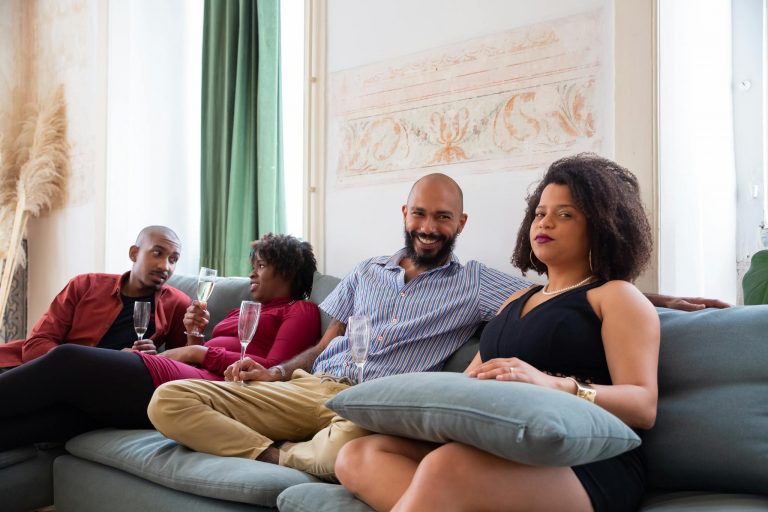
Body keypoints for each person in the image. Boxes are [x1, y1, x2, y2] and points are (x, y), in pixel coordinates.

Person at [146, 172, 721, 482]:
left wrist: (659, 295)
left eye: (442, 217)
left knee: (353, 452)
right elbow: (326, 344)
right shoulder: (373, 272)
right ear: (405, 214)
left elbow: (585, 298)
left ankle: (302, 453)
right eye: (420, 213)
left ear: (460, 223)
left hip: (375, 402)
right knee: (169, 400)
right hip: (311, 388)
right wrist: (274, 373)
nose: (428, 226)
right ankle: (279, 454)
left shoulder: (481, 284)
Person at [335, 154, 660, 511]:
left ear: (600, 225)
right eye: (540, 213)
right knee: (359, 454)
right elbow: (473, 380)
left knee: (447, 467)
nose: (546, 222)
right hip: (505, 446)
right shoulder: (516, 300)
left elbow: (643, 405)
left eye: (564, 214)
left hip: (589, 463)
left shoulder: (615, 297)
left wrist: (556, 384)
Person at [0, 234, 320, 452]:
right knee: (68, 419)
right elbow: (207, 353)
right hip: (188, 373)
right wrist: (195, 337)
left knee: (69, 359)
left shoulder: (300, 310)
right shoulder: (243, 309)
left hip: (214, 387)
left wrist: (198, 349)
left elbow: (272, 372)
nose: (252, 274)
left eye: (261, 266)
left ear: (288, 271)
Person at [0, 225, 190, 368]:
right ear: (134, 253)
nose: (165, 266)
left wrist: (154, 359)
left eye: (173, 259)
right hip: (48, 369)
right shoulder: (84, 285)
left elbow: (183, 369)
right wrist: (109, 357)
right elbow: (36, 345)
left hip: (105, 384)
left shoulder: (177, 304)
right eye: (157, 253)